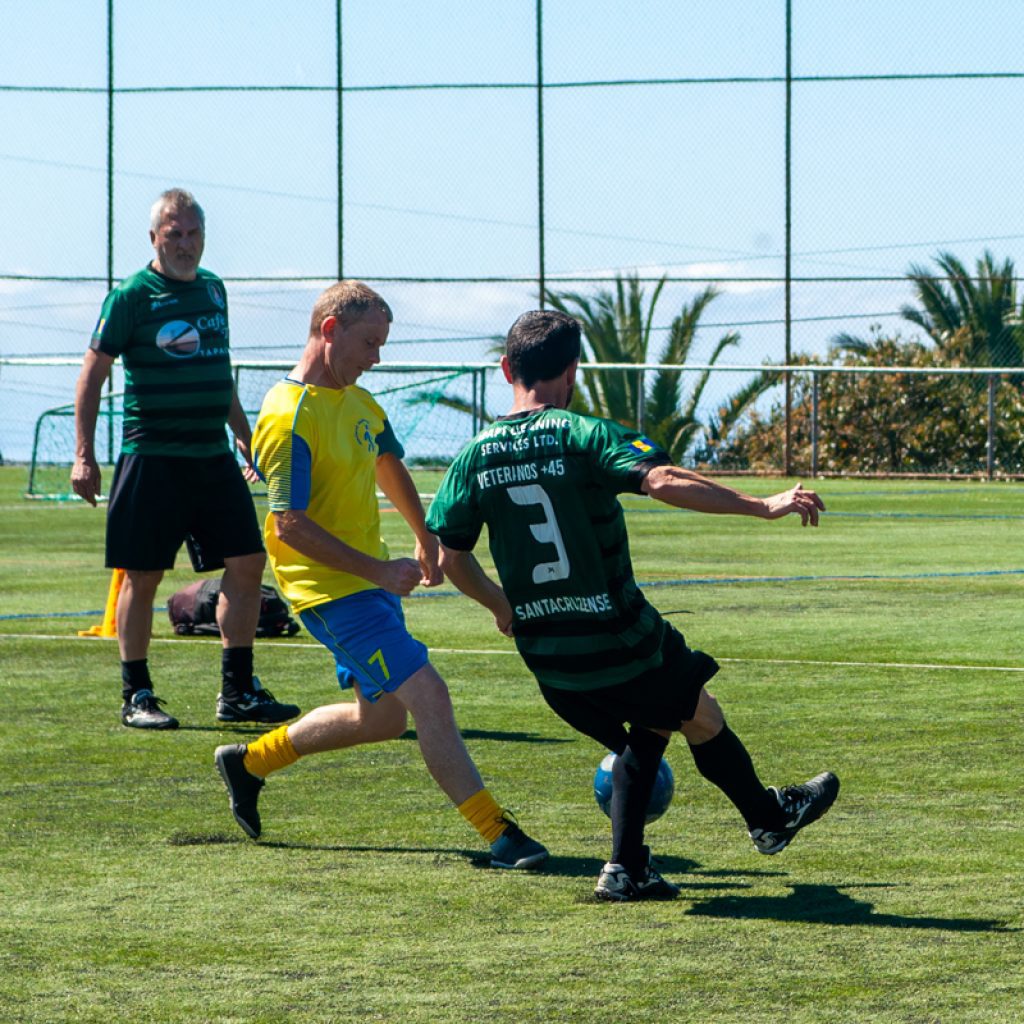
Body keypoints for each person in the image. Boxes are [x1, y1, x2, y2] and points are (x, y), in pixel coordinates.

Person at [425, 309, 840, 902]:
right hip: (618, 636)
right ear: (572, 371)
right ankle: (705, 840)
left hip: (548, 660)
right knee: (666, 709)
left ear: (505, 368)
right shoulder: (585, 434)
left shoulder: (473, 456)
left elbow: (451, 559)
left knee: (682, 716)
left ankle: (739, 826)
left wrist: (502, 608)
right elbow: (664, 480)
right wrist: (761, 505)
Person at [213, 281, 548, 870]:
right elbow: (288, 524)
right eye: (370, 343)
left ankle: (248, 762)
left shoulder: (362, 402)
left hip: (370, 586)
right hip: (330, 591)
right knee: (429, 695)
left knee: (383, 718)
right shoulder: (286, 416)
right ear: (331, 330)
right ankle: (500, 834)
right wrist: (377, 569)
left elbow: (388, 464)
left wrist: (424, 540)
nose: (376, 358)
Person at [71, 188, 300, 730]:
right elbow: (92, 376)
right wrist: (84, 455)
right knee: (142, 576)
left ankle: (238, 691)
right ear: (154, 237)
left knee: (247, 563)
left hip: (211, 458)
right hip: (152, 458)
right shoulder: (130, 296)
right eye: (175, 234)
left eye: (194, 233)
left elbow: (219, 377)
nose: (186, 244)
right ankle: (137, 695)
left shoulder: (214, 290)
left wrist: (246, 439)